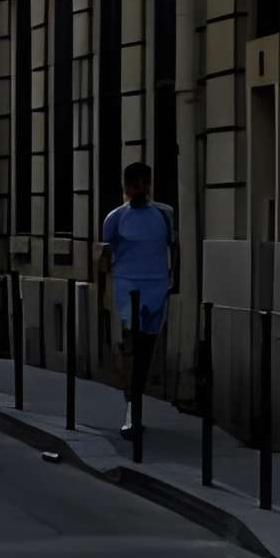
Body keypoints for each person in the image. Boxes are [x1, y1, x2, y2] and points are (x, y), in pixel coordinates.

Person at [98, 162, 178, 438]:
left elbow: (173, 248)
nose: (139, 189)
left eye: (143, 183)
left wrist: (172, 282)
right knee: (132, 351)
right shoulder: (116, 218)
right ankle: (132, 413)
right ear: (126, 187)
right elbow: (104, 260)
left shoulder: (164, 215)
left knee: (146, 352)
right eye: (134, 184)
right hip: (127, 292)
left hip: (156, 290)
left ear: (149, 185)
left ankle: (136, 407)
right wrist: (103, 298)